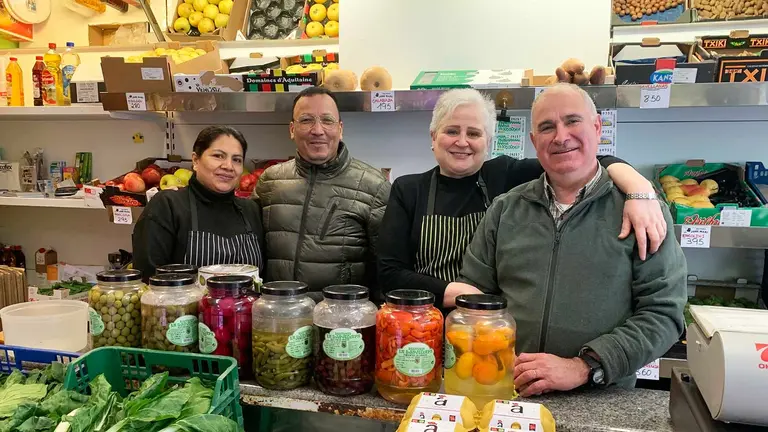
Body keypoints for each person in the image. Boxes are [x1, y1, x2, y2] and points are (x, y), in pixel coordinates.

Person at [457, 83, 687, 396]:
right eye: (547, 127)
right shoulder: (506, 209)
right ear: (534, 141)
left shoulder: (642, 213)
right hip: (508, 389)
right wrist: (490, 349)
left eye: (572, 121)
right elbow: (475, 296)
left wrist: (584, 366)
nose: (561, 136)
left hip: (601, 397)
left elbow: (663, 314)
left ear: (596, 127)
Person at [377, 88, 669, 310]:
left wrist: (638, 189)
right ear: (433, 137)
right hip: (422, 322)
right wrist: (456, 294)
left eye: (474, 133)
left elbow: (586, 158)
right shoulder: (409, 189)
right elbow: (389, 274)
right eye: (451, 131)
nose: (462, 142)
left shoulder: (505, 173)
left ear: (488, 142)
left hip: (491, 326)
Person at [254, 87, 390, 302]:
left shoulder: (373, 187)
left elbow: (385, 270)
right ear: (291, 129)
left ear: (340, 128)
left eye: (327, 120)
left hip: (341, 320)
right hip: (279, 316)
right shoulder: (270, 182)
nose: (317, 130)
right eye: (306, 120)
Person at [132, 126, 264, 279]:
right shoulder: (168, 206)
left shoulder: (251, 210)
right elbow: (147, 279)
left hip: (247, 303)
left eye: (236, 160)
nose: (228, 166)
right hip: (179, 303)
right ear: (195, 160)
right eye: (218, 156)